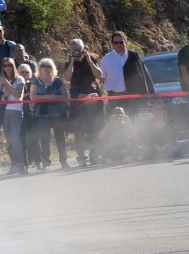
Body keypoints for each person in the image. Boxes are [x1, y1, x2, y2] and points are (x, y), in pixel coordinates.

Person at [63, 38, 104, 166]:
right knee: (79, 129)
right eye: (74, 50)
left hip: (92, 96)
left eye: (78, 50)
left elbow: (99, 75)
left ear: (83, 48)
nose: (77, 52)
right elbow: (67, 77)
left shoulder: (91, 59)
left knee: (94, 128)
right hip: (77, 97)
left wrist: (89, 60)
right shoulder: (69, 62)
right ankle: (81, 156)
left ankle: (94, 154)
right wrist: (72, 60)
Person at [99, 31, 154, 120]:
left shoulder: (134, 56)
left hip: (133, 97)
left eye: (121, 42)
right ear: (112, 44)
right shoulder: (106, 59)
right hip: (115, 98)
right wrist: (112, 87)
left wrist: (150, 93)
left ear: (126, 42)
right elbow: (102, 77)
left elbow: (144, 75)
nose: (119, 44)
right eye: (116, 42)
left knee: (133, 122)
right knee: (116, 124)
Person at [31, 58, 69, 170]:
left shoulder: (57, 81)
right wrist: (47, 97)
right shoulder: (36, 81)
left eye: (48, 66)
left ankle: (64, 161)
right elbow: (33, 97)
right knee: (44, 139)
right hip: (42, 114)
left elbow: (65, 95)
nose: (46, 68)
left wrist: (57, 97)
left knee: (60, 138)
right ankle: (46, 162)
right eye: (43, 66)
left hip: (57, 113)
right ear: (40, 68)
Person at [0, 58, 26, 174]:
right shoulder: (2, 80)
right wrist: (4, 91)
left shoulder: (19, 79)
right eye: (5, 65)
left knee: (15, 139)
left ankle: (21, 166)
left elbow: (17, 95)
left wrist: (7, 85)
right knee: (9, 141)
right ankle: (13, 165)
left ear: (13, 66)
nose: (7, 67)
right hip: (4, 112)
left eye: (9, 65)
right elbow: (0, 97)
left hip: (16, 111)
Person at [17, 63, 40, 171]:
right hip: (20, 114)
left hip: (32, 113)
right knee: (22, 141)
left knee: (35, 139)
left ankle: (39, 161)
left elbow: (35, 96)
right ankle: (24, 164)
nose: (24, 74)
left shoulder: (33, 84)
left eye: (26, 71)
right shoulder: (17, 84)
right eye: (22, 72)